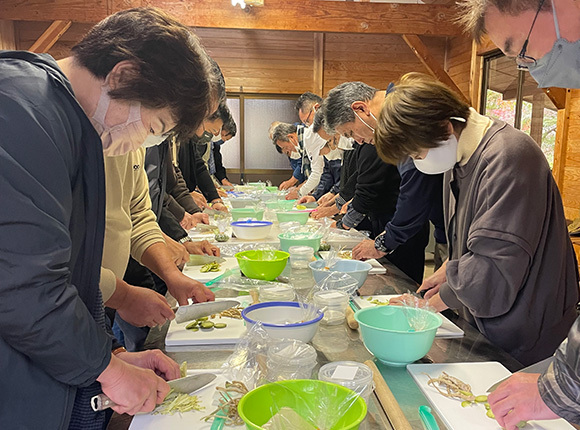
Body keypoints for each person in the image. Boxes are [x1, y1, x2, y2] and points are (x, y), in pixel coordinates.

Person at [0, 7, 215, 428]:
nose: (143, 141)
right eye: (154, 125)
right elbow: (25, 284)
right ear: (121, 75)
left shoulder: (66, 120)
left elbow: (70, 269)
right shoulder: (22, 112)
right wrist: (109, 370)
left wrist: (112, 356)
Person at [376, 72, 578, 368]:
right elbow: (470, 237)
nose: (418, 161)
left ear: (443, 126)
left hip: (527, 326)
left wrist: (428, 309)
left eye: (417, 152)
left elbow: (495, 261)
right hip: (488, 318)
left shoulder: (508, 155)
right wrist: (448, 269)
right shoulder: (458, 157)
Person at [458, 0, 580, 427]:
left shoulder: (507, 153)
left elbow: (498, 262)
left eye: (521, 49)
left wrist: (562, 388)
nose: (528, 68)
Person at [323, 81, 438, 284]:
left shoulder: (402, 118)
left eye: (350, 133)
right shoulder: (390, 126)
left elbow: (414, 191)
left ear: (360, 109)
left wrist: (383, 243)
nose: (357, 141)